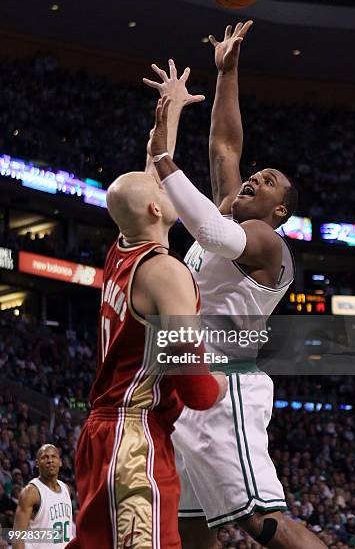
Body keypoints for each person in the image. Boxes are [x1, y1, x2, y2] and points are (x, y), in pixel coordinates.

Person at [144, 22, 326, 549]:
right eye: (258, 174)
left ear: (280, 210)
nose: (255, 178)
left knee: (263, 522)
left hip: (228, 386)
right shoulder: (233, 210)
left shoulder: (266, 242)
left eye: (268, 182)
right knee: (187, 522)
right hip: (188, 378)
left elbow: (207, 229)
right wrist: (228, 71)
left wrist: (162, 158)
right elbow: (225, 144)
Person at [67, 98, 227, 549]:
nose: (169, 189)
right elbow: (196, 390)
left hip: (102, 432)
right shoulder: (167, 274)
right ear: (157, 211)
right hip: (134, 438)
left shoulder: (122, 249)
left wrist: (169, 112)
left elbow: (148, 178)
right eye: (163, 192)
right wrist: (222, 377)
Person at [13, 444, 73, 549]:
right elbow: (17, 536)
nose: (50, 460)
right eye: (45, 457)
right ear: (37, 464)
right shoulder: (31, 492)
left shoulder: (66, 489)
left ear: (60, 462)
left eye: (54, 457)